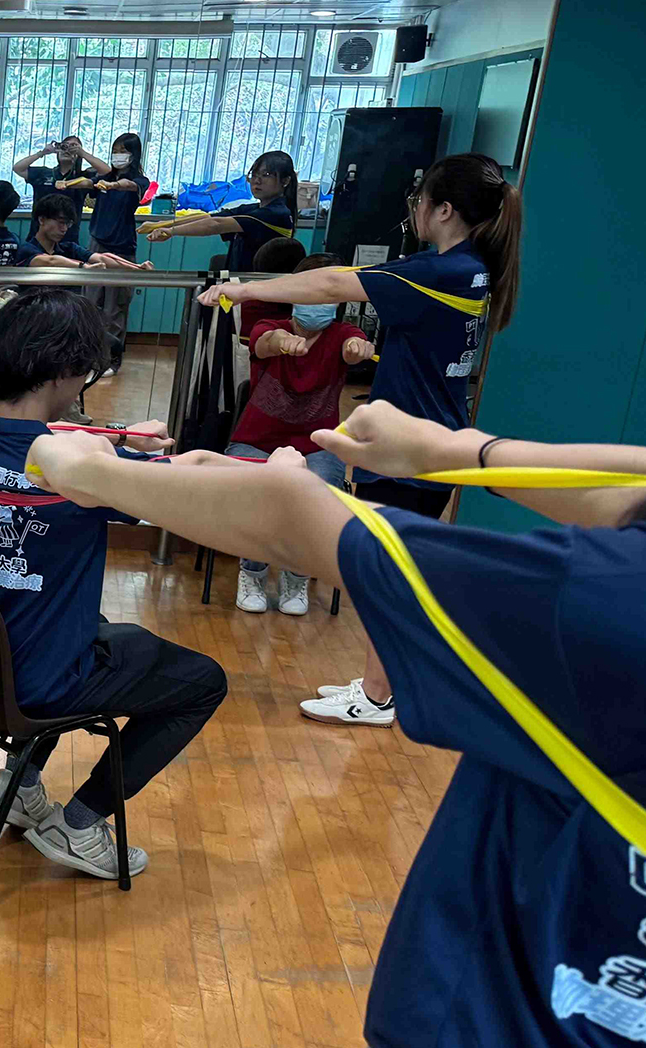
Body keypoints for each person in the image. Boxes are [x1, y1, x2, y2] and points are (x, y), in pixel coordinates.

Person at [18, 402, 646, 1048]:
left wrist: (85, 467)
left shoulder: (618, 607)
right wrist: (461, 450)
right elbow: (645, 487)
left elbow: (295, 526)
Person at [199, 153, 522, 728]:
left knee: (388, 574)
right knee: (394, 567)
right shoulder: (462, 265)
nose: (415, 210)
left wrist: (244, 291)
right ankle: (384, 683)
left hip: (412, 451)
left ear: (443, 210)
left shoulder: (443, 272)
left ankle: (376, 696)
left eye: (421, 202)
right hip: (424, 439)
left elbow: (329, 282)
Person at [0, 289, 222, 880]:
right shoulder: (79, 473)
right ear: (67, 373)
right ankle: (81, 821)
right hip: (35, 685)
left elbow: (42, 455)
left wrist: (113, 445)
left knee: (100, 631)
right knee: (201, 682)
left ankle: (19, 781)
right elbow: (182, 483)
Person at [226, 253, 373, 616]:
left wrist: (359, 350)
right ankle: (253, 570)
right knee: (261, 488)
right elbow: (264, 342)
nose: (319, 304)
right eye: (312, 294)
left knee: (317, 492)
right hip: (255, 440)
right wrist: (281, 342)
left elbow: (354, 348)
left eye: (329, 298)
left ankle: (297, 574)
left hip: (319, 444)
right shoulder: (269, 325)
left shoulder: (341, 334)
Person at [143, 149, 298, 273]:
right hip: (240, 284)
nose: (257, 180)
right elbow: (209, 217)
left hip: (258, 291)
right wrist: (163, 224)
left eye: (266, 175)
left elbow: (215, 224)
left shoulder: (276, 214)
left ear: (285, 181)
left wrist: (171, 231)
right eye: (254, 174)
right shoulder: (253, 209)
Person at [85, 132, 151, 373]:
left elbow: (129, 186)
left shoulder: (139, 180)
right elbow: (88, 183)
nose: (117, 155)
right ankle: (89, 358)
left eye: (122, 150)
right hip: (96, 245)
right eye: (115, 149)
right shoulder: (103, 176)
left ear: (133, 155)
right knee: (91, 303)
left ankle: (111, 359)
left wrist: (113, 185)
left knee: (115, 307)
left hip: (121, 248)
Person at [13, 135, 111, 243]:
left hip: (68, 238)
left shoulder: (83, 177)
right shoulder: (44, 173)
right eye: (64, 146)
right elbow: (18, 168)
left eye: (72, 147)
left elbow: (107, 172)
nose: (67, 149)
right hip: (39, 236)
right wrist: (42, 153)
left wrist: (82, 153)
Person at [19, 193, 94, 269]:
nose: (64, 229)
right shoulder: (26, 250)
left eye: (68, 224)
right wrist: (83, 266)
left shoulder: (69, 248)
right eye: (61, 222)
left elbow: (97, 258)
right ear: (42, 220)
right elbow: (51, 261)